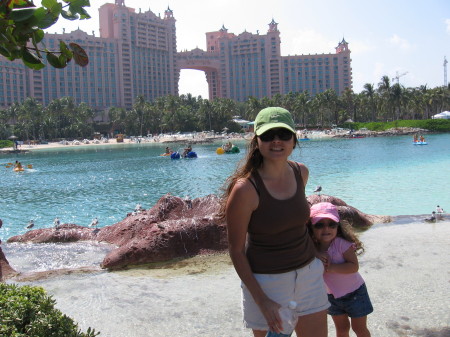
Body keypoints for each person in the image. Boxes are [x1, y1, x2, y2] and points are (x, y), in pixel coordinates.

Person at [218, 107, 329, 337]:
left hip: (308, 275)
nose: (276, 141)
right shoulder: (246, 189)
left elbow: (297, 222)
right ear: (256, 140)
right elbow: (236, 250)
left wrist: (316, 252)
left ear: (293, 139)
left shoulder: (301, 172)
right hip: (267, 284)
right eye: (268, 136)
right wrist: (262, 301)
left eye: (283, 134)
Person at [308, 202, 373, 337]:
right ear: (311, 227)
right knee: (342, 329)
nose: (326, 229)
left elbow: (353, 267)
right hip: (331, 297)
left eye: (331, 224)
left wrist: (331, 268)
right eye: (320, 224)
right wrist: (315, 252)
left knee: (359, 328)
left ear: (338, 226)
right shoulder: (311, 247)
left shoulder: (341, 244)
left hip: (355, 293)